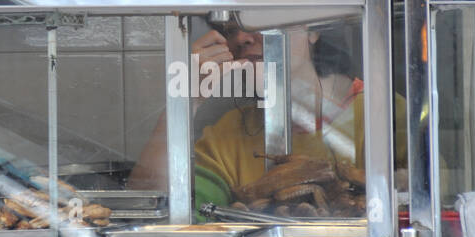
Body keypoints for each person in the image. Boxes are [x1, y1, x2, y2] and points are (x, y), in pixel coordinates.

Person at [128, 21, 406, 210]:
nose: (241, 38)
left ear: (313, 30)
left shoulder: (385, 114)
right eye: (231, 28)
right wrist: (183, 100)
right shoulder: (228, 134)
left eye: (262, 17)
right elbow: (154, 206)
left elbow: (428, 203)